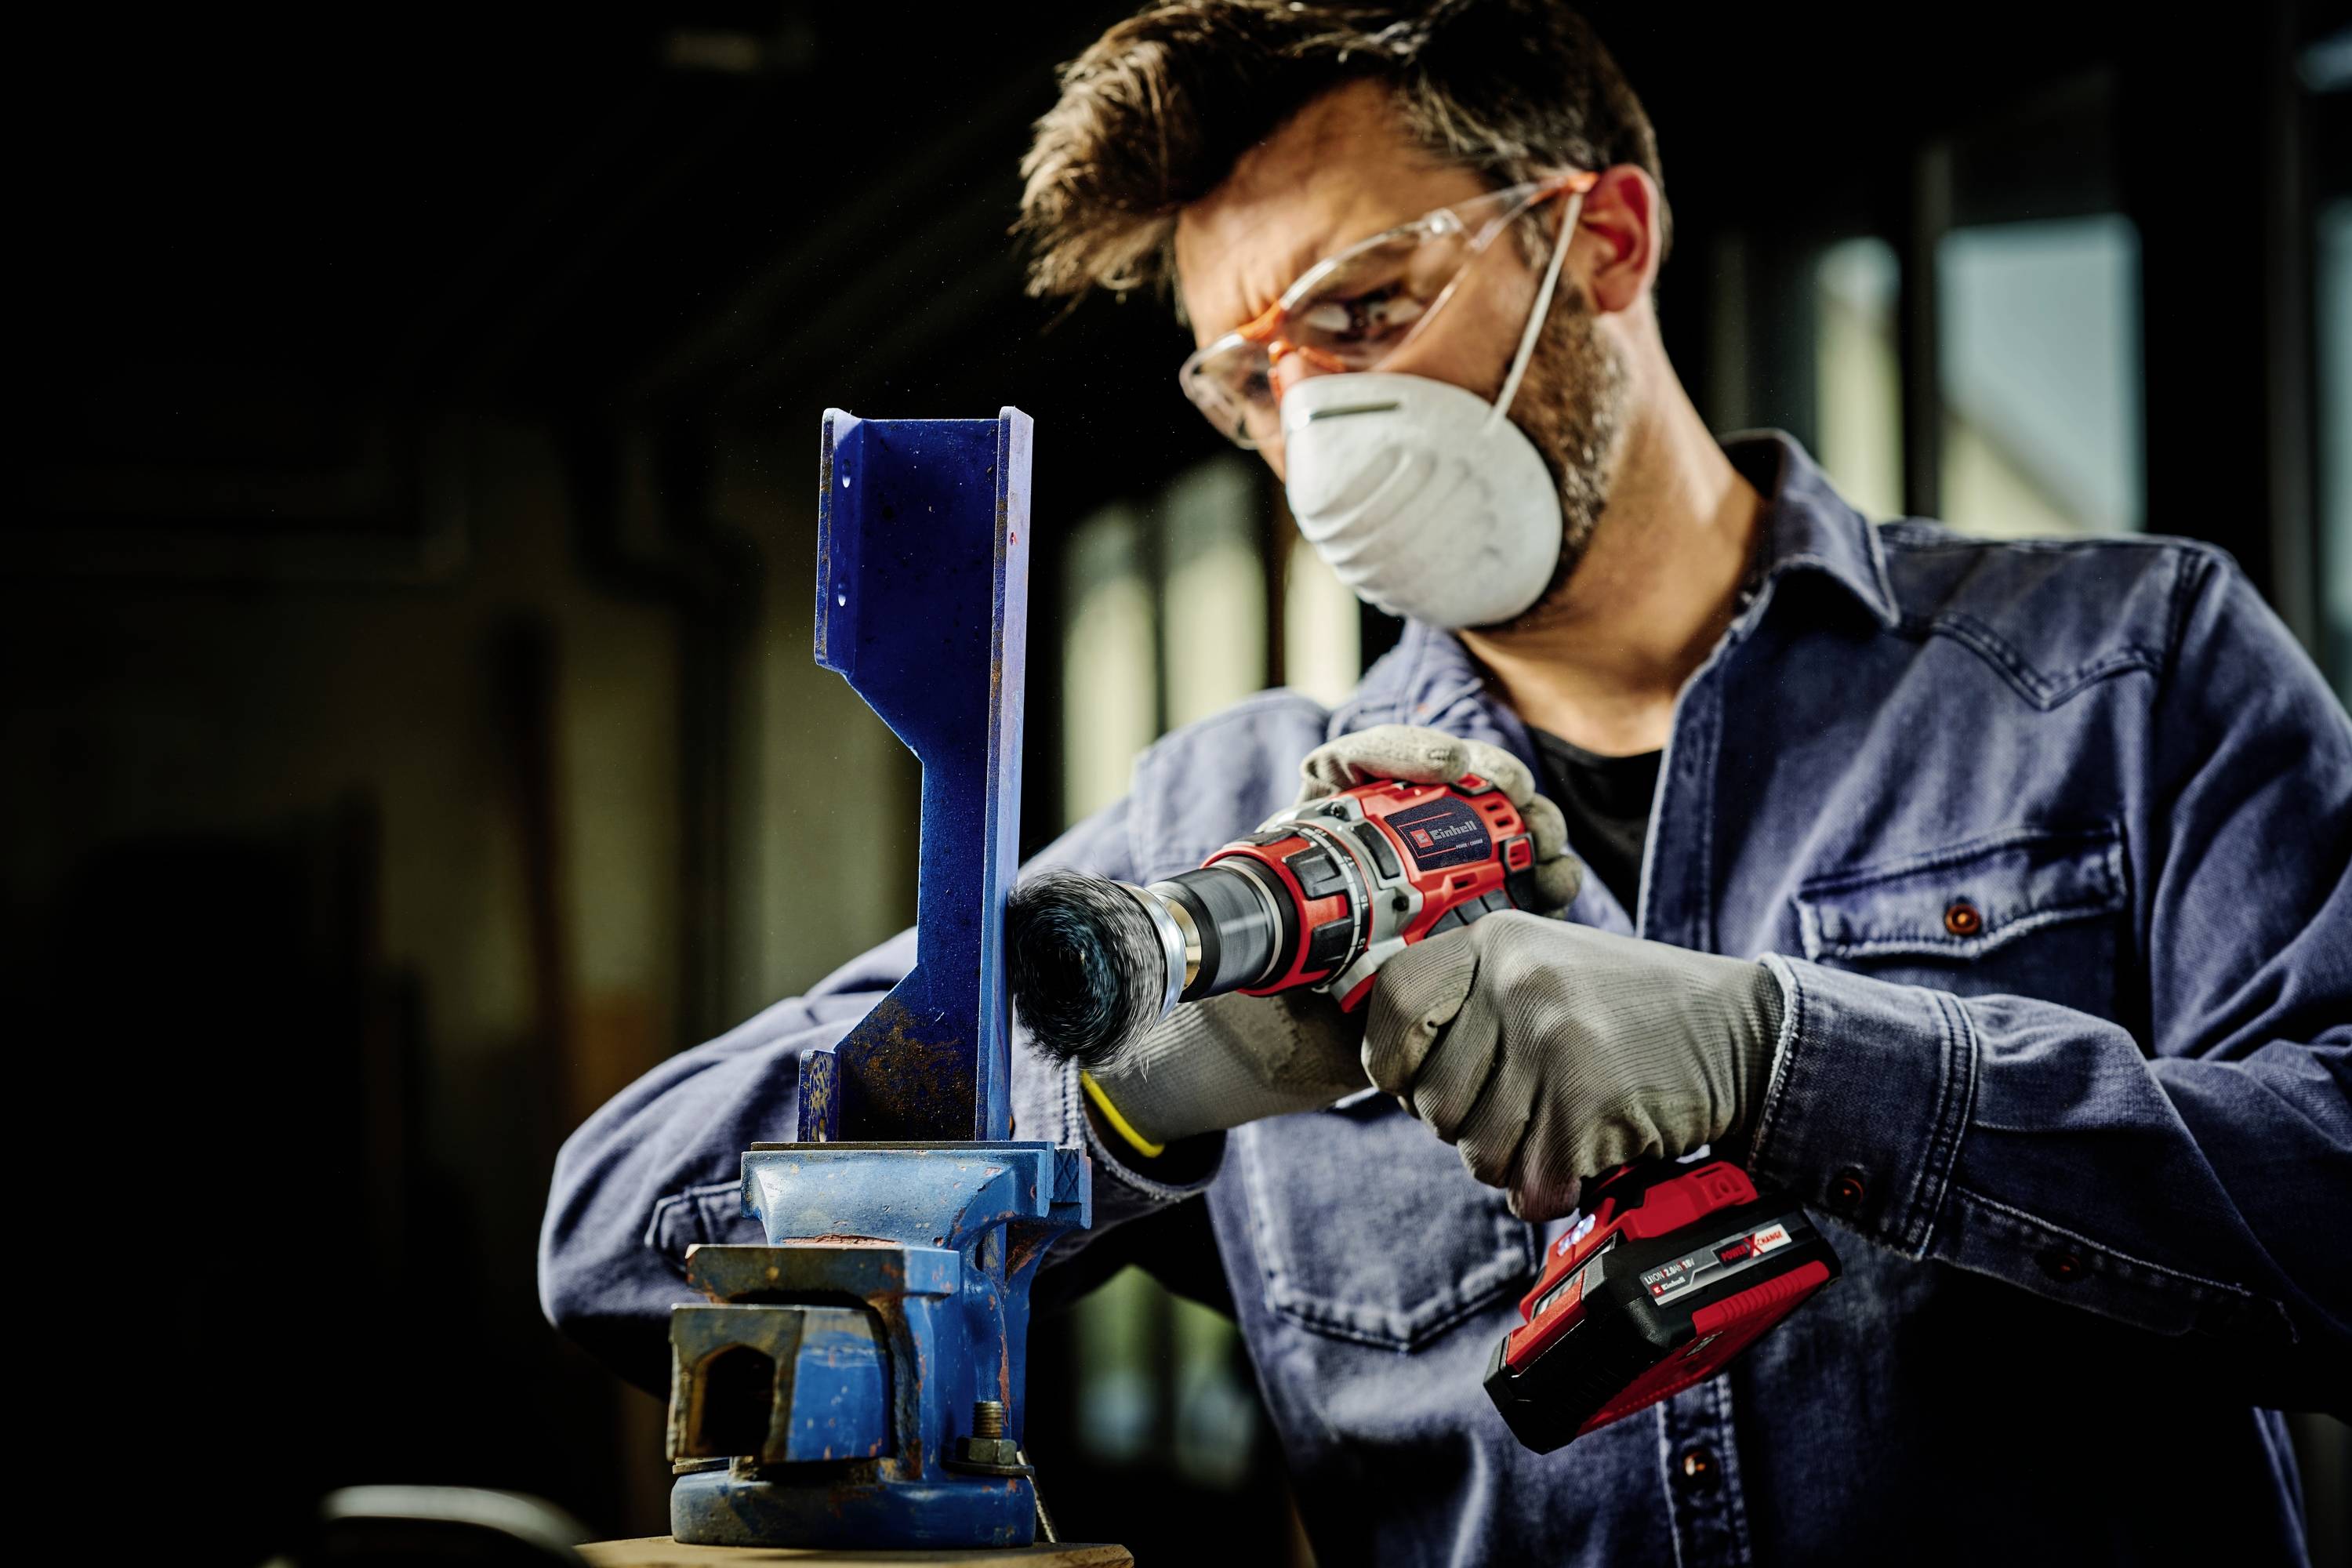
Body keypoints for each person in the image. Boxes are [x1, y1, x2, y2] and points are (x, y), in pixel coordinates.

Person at [540, 4, 2351, 1561]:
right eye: (1247, 382)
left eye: (1364, 311)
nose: (1315, 428)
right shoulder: (1240, 822)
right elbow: (620, 1240)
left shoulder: (2123, 671)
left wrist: (1796, 1062)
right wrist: (1101, 1117)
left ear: (1612, 242)